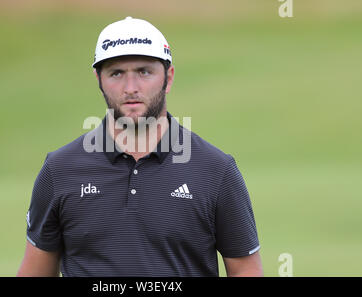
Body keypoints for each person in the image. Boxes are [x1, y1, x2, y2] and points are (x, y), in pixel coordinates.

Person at [17, 16, 263, 277]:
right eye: (116, 73)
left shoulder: (216, 171)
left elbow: (245, 271)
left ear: (168, 77)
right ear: (98, 79)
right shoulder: (59, 170)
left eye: (144, 72)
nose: (130, 88)